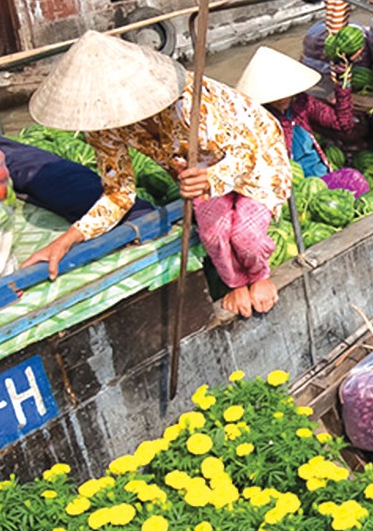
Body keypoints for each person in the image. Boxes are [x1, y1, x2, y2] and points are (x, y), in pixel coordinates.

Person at [23, 32, 295, 319]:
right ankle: (236, 282)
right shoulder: (103, 125)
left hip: (256, 159)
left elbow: (246, 152)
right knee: (214, 234)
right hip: (198, 169)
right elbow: (118, 192)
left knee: (244, 235)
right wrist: (69, 239)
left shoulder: (191, 102)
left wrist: (213, 179)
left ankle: (260, 275)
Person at [237, 45, 358, 180]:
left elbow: (343, 123)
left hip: (319, 175)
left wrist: (343, 84)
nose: (282, 97)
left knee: (354, 178)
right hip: (292, 184)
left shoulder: (303, 103)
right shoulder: (258, 119)